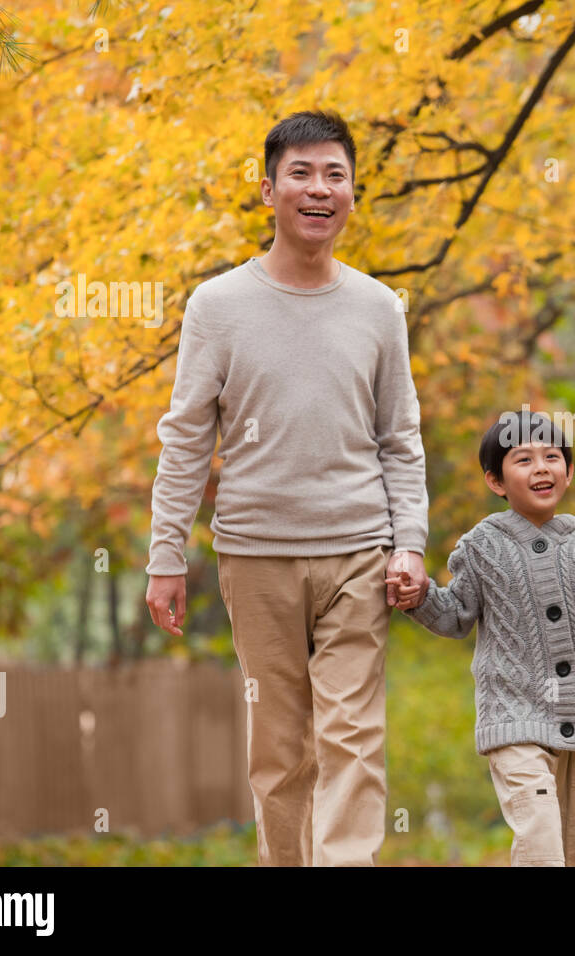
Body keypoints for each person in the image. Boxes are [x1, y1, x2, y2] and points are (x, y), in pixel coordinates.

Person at [144, 109, 429, 866]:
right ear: (268, 190)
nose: (319, 188)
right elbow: (186, 436)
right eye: (301, 173)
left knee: (353, 735)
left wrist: (410, 543)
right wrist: (164, 555)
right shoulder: (218, 306)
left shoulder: (377, 308)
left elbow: (400, 437)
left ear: (353, 195)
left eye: (335, 174)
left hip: (357, 554)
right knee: (278, 751)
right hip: (255, 555)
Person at [393, 410, 575, 866]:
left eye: (552, 457)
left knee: (567, 850)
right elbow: (456, 616)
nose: (541, 467)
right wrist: (419, 596)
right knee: (540, 842)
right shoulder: (480, 547)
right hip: (513, 724)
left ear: (569, 472)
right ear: (495, 481)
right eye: (523, 459)